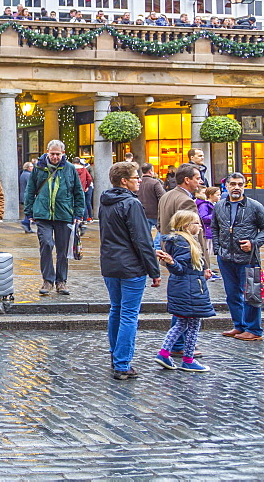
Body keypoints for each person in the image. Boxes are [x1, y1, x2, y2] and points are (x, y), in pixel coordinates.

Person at [100, 161, 163, 380]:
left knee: (116, 309)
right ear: (124, 181)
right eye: (136, 177)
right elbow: (143, 241)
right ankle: (122, 362)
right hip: (130, 266)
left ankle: (116, 355)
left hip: (110, 263)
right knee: (128, 314)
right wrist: (154, 271)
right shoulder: (131, 204)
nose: (139, 180)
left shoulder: (106, 202)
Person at [212, 172, 264, 342]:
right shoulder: (219, 206)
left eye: (240, 184)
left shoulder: (255, 206)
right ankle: (239, 325)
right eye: (233, 184)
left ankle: (253, 329)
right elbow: (214, 227)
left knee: (251, 294)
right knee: (232, 294)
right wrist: (217, 248)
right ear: (227, 186)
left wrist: (254, 243)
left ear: (244, 186)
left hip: (248, 258)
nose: (236, 187)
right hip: (225, 258)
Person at [153, 209, 214, 371]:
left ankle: (165, 353)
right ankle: (187, 358)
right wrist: (171, 262)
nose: (200, 226)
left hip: (189, 287)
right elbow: (180, 269)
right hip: (189, 290)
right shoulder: (183, 243)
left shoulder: (185, 241)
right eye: (196, 223)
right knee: (193, 325)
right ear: (186, 226)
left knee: (182, 323)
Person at [24, 140, 85, 296]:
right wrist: (29, 211)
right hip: (43, 214)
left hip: (64, 214)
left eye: (58, 154)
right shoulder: (38, 168)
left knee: (62, 251)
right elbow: (30, 190)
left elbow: (78, 192)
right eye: (52, 154)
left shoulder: (70, 168)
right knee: (46, 244)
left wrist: (78, 213)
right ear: (47, 152)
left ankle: (61, 281)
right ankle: (48, 280)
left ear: (63, 154)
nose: (55, 157)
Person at [137, 162, 166, 247]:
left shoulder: (138, 182)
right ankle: (156, 246)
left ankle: (147, 247)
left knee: (145, 234)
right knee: (162, 230)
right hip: (155, 213)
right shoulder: (155, 183)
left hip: (142, 212)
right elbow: (162, 196)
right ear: (150, 171)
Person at [197, 186, 220, 260]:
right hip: (208, 232)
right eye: (217, 195)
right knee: (209, 251)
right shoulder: (204, 205)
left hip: (213, 232)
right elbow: (203, 218)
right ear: (211, 195)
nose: (219, 197)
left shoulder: (215, 205)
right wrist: (216, 215)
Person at [71, 157, 93, 221]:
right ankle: (84, 219)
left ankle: (74, 218)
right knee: (83, 203)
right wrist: (86, 186)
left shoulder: (70, 168)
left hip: (72, 189)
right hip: (82, 188)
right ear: (79, 162)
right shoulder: (83, 169)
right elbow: (89, 178)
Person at [19, 161, 34, 233]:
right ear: (28, 167)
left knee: (28, 210)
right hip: (27, 195)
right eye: (31, 166)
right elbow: (31, 186)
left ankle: (27, 225)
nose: (32, 168)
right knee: (30, 209)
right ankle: (25, 222)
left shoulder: (23, 174)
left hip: (23, 194)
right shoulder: (28, 175)